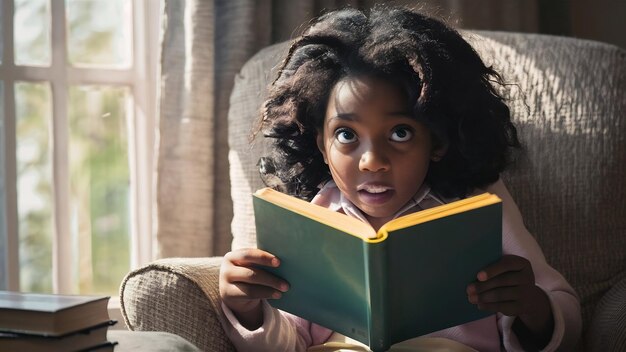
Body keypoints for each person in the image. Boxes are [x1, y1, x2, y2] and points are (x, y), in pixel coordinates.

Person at [218, 5, 581, 352]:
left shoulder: (479, 206)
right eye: (346, 135)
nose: (373, 162)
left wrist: (533, 306)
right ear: (322, 145)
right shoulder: (313, 216)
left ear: (436, 140)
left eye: (401, 133)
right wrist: (248, 309)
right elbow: (289, 341)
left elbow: (564, 315)